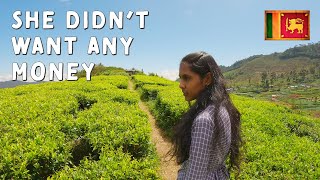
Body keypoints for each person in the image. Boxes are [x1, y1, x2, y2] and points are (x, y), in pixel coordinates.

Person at [172, 51, 242, 179]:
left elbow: (195, 176)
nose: (181, 84)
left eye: (187, 78)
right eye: (180, 77)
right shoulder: (220, 107)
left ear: (207, 79)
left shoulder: (204, 121)